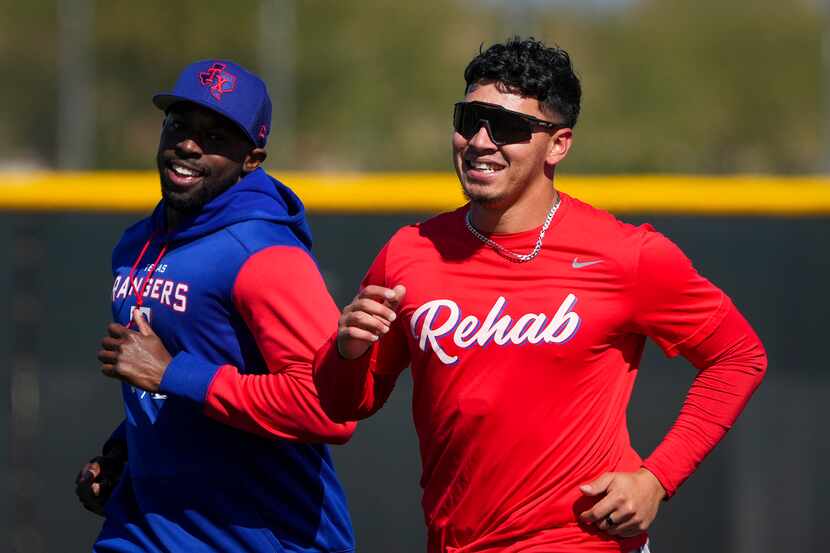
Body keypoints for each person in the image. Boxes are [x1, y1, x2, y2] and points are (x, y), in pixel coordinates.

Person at [312, 38, 767, 553]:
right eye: (469, 120)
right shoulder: (410, 252)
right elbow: (345, 402)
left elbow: (737, 356)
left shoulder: (626, 255)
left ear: (558, 144)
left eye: (507, 127)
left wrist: (657, 478)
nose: (481, 141)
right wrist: (347, 352)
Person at [75, 60, 356, 553]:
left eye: (216, 136)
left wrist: (174, 374)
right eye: (179, 125)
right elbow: (168, 385)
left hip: (259, 537)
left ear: (252, 158)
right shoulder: (137, 244)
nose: (189, 144)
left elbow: (329, 410)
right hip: (145, 529)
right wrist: (123, 452)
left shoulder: (265, 255)